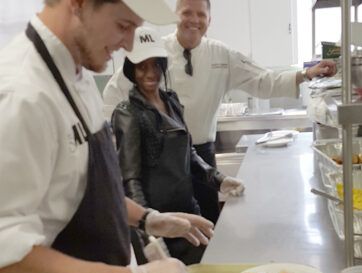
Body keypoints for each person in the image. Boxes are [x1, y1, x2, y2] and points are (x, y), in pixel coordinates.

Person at [0, 0, 215, 273]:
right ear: (78, 5)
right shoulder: (19, 96)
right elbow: (6, 256)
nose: (129, 45)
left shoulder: (79, 74)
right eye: (123, 26)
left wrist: (147, 218)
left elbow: (86, 187)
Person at [103, 0, 337, 225]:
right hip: (158, 166)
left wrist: (306, 74)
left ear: (209, 20)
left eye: (201, 15)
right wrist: (123, 143)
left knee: (206, 227)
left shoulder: (221, 55)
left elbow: (263, 80)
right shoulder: (154, 51)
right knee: (164, 234)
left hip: (200, 158)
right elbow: (114, 95)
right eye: (186, 13)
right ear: (176, 16)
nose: (193, 20)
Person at [112, 26, 244, 265]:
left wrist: (218, 179)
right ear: (132, 69)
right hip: (161, 223)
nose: (150, 72)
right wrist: (150, 231)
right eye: (142, 66)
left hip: (188, 214)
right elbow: (131, 182)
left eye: (155, 64)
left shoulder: (171, 100)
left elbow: (189, 153)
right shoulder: (128, 114)